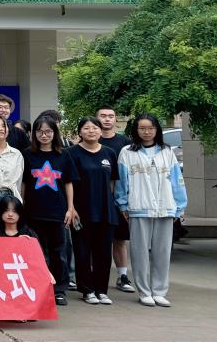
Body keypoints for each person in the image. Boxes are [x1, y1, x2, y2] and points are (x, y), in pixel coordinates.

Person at [116, 114, 187, 307]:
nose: (146, 132)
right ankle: (144, 291)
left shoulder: (167, 151)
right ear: (136, 130)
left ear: (157, 130)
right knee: (139, 252)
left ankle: (159, 291)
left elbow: (177, 181)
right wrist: (123, 204)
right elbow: (122, 182)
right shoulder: (127, 152)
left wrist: (179, 206)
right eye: (142, 128)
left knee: (162, 252)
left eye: (151, 128)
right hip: (139, 207)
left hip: (166, 207)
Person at [22, 115, 78, 307]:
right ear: (34, 134)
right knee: (37, 253)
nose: (44, 135)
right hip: (34, 211)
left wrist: (70, 208)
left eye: (48, 131)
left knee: (59, 252)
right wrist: (23, 206)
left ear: (55, 133)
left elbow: (69, 183)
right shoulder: (27, 154)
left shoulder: (64, 155)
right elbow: (24, 184)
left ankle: (59, 290)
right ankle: (39, 287)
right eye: (40, 131)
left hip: (58, 212)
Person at [68, 116, 120, 305]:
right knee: (82, 252)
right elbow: (68, 182)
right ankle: (87, 290)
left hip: (105, 210)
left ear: (100, 131)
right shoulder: (71, 153)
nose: (91, 131)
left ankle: (101, 290)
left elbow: (112, 182)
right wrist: (71, 207)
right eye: (87, 128)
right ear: (80, 132)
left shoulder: (109, 153)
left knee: (104, 253)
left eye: (95, 128)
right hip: (81, 210)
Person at [97, 105, 135, 295]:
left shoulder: (126, 143)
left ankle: (123, 276)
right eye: (103, 116)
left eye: (110, 116)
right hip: (97, 200)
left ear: (115, 119)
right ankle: (93, 278)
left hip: (120, 200)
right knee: (96, 241)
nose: (107, 119)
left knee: (120, 239)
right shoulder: (90, 140)